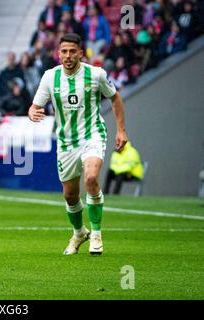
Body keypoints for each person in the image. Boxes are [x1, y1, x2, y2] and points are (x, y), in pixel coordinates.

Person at [28, 33, 128, 255]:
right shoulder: (49, 77)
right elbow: (35, 106)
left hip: (92, 134)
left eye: (73, 51)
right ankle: (79, 232)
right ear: (58, 53)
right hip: (65, 142)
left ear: (81, 53)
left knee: (91, 178)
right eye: (64, 51)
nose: (68, 55)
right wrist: (33, 112)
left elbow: (115, 98)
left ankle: (96, 234)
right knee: (70, 195)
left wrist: (121, 129)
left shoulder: (96, 74)